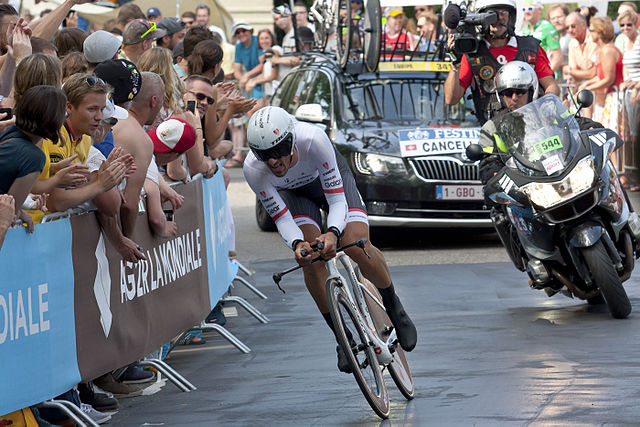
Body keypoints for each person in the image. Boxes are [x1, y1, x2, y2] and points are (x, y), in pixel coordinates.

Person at [243, 106, 417, 373]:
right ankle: (341, 337)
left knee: (355, 243)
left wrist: (334, 232)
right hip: (296, 196)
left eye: (278, 151)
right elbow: (281, 218)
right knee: (311, 260)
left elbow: (336, 199)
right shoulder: (253, 170)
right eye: (264, 155)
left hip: (329, 184)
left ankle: (394, 306)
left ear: (291, 140)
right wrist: (296, 244)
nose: (274, 161)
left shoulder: (313, 139)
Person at [444, 0, 559, 125]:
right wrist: (455, 63)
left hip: (532, 127)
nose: (499, 18)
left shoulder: (530, 47)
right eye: (492, 14)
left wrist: (547, 106)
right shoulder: (472, 54)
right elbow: (451, 99)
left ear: (511, 17)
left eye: (504, 13)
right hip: (493, 132)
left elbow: (551, 86)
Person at [0, 86, 66, 232]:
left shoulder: (9, 130)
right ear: (55, 119)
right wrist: (20, 211)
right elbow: (9, 208)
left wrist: (23, 211)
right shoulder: (34, 157)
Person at [521, 0, 562, 77]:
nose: (526, 12)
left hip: (547, 76)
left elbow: (558, 57)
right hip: (532, 76)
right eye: (524, 9)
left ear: (539, 9)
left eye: (530, 9)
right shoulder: (524, 30)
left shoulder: (548, 27)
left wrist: (547, 76)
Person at [547, 4, 570, 79]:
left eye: (559, 17)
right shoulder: (550, 37)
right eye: (553, 18)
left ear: (567, 16)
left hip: (571, 82)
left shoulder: (571, 37)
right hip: (556, 80)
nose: (556, 21)